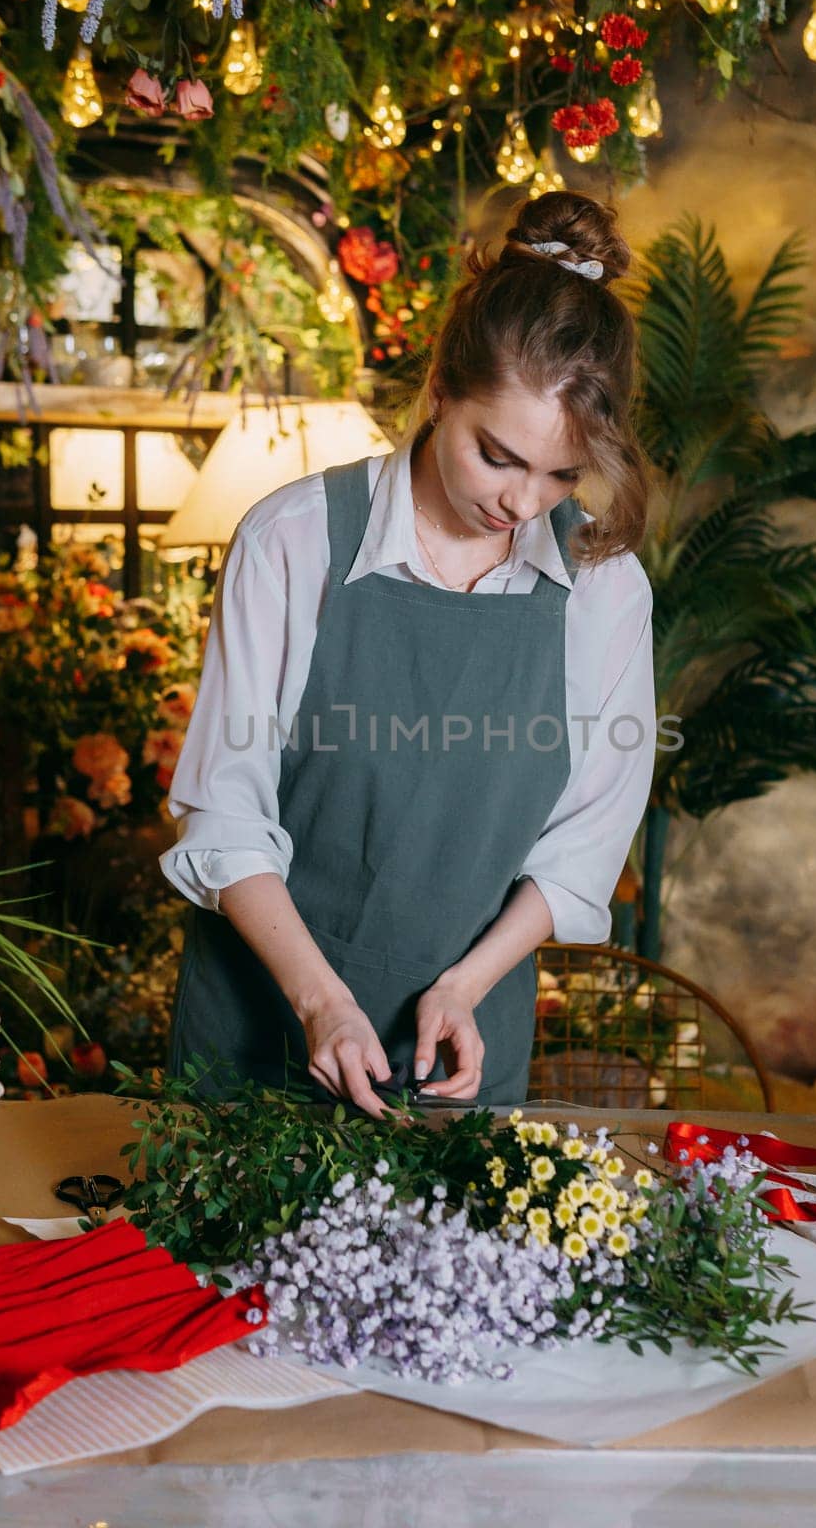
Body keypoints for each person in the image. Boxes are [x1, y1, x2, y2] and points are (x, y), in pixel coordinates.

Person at [160, 188, 656, 1117]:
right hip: (259, 1032)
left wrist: (467, 986)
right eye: (498, 456)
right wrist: (323, 1004)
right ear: (439, 391)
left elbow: (584, 844)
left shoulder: (605, 587)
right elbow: (224, 814)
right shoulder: (294, 541)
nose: (522, 503)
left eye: (562, 474)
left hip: (461, 1048)